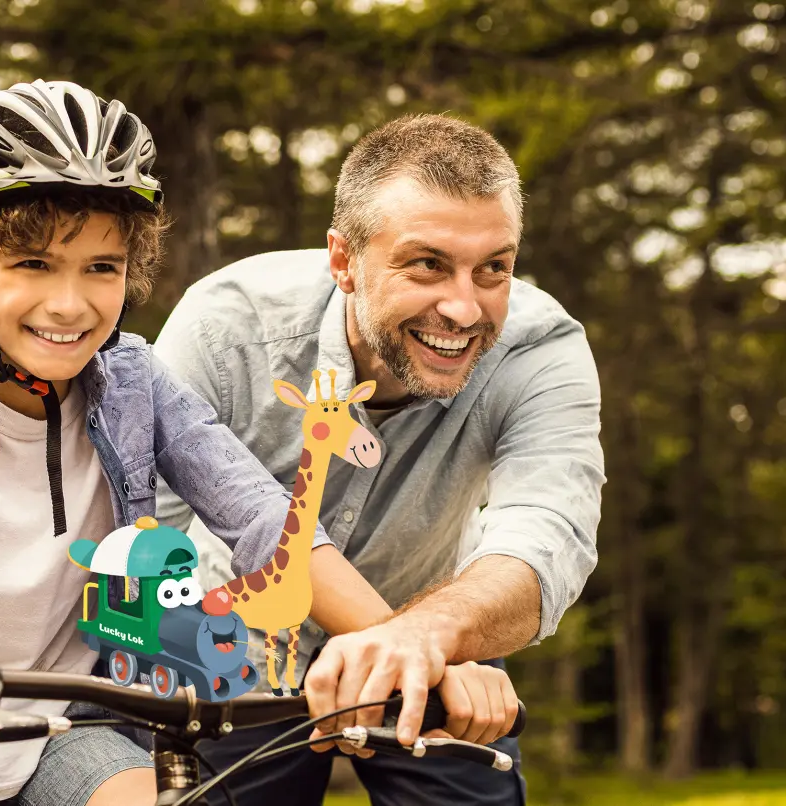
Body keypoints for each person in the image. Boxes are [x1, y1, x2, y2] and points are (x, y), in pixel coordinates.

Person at [0, 78, 407, 806]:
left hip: (62, 736)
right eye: (33, 264)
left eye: (101, 268)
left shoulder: (133, 381)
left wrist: (404, 646)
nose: (70, 303)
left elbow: (258, 513)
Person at [153, 114, 605, 805]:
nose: (464, 307)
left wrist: (421, 639)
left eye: (494, 268)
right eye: (427, 264)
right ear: (343, 261)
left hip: (439, 652)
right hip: (231, 654)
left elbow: (547, 534)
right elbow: (138, 529)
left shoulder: (540, 352)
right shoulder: (224, 331)